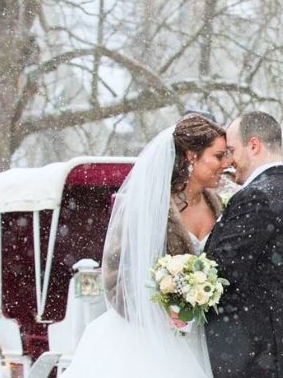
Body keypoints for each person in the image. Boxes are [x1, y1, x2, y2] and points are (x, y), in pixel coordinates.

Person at [61, 114, 230, 378]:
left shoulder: (218, 205)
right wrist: (165, 308)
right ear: (191, 156)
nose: (226, 164)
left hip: (201, 339)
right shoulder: (147, 206)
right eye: (218, 156)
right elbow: (116, 276)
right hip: (146, 340)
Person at [204, 111, 283, 378]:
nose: (228, 161)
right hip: (267, 343)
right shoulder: (280, 187)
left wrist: (184, 279)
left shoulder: (258, 195)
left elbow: (223, 268)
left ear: (254, 145)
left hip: (252, 350)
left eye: (232, 151)